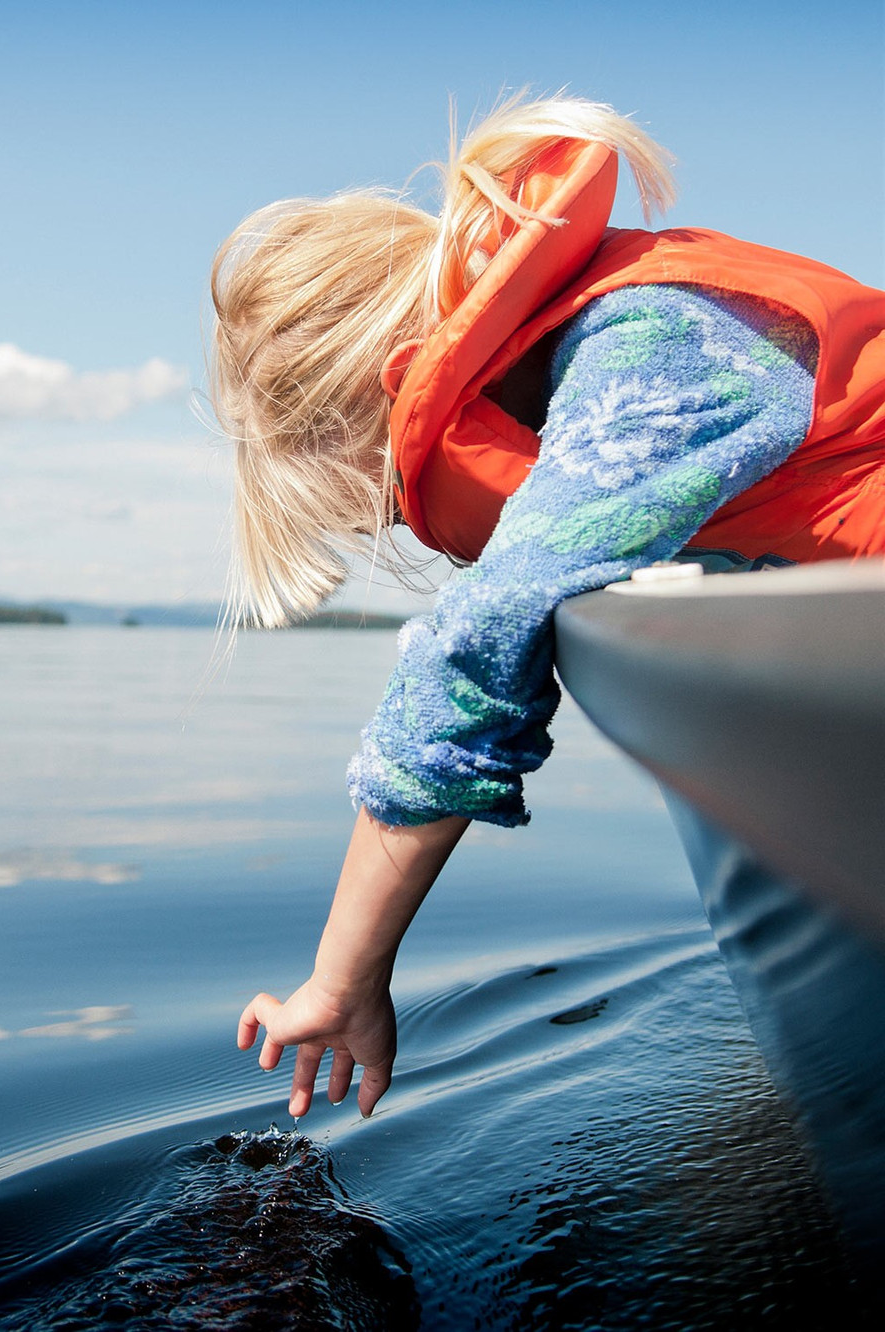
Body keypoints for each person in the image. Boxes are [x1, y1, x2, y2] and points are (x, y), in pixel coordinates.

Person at [209, 93, 885, 1121]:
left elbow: (481, 644)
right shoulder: (621, 355)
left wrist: (341, 982)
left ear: (394, 392)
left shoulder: (652, 347)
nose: (407, 526)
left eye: (387, 500)